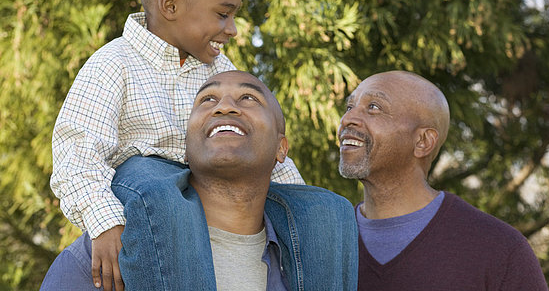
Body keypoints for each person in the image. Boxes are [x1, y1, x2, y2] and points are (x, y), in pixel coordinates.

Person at [51, 0, 303, 291]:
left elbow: (258, 136)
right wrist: (104, 222)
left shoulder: (218, 70)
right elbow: (76, 154)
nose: (232, 29)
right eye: (222, 13)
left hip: (203, 189)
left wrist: (298, 199)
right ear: (170, 5)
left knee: (323, 208)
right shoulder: (114, 63)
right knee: (161, 187)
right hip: (145, 190)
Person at [42, 71, 358, 290]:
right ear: (187, 149)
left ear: (281, 148)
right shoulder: (107, 258)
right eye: (207, 100)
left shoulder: (316, 254)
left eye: (249, 98)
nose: (224, 106)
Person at [337, 70, 549, 290]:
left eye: (374, 107)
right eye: (350, 107)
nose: (347, 119)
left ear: (423, 141)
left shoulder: (500, 250)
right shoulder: (323, 244)